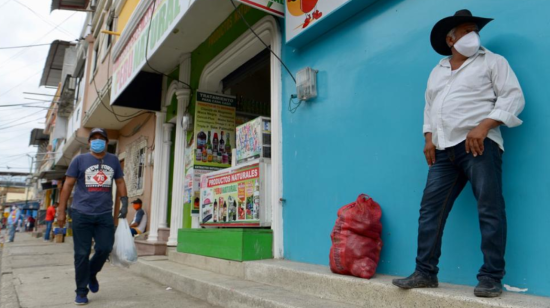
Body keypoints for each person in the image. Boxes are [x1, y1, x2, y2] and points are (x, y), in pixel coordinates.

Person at [392, 10, 524, 298]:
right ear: (450, 39)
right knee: (430, 211)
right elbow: (430, 107)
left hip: (479, 145)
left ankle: (491, 277)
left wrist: (485, 125)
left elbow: (513, 96)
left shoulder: (493, 61)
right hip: (442, 151)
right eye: (466, 30)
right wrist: (429, 138)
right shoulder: (437, 70)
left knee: (489, 208)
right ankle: (425, 272)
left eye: (475, 29)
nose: (473, 35)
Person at [57, 128, 129, 305]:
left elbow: (120, 181)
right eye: (94, 138)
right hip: (81, 213)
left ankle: (91, 273)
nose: (97, 141)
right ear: (89, 142)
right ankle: (81, 291)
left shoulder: (113, 160)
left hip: (104, 213)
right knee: (81, 253)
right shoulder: (79, 160)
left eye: (101, 138)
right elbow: (67, 185)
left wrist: (125, 203)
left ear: (106, 142)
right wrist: (61, 211)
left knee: (105, 248)